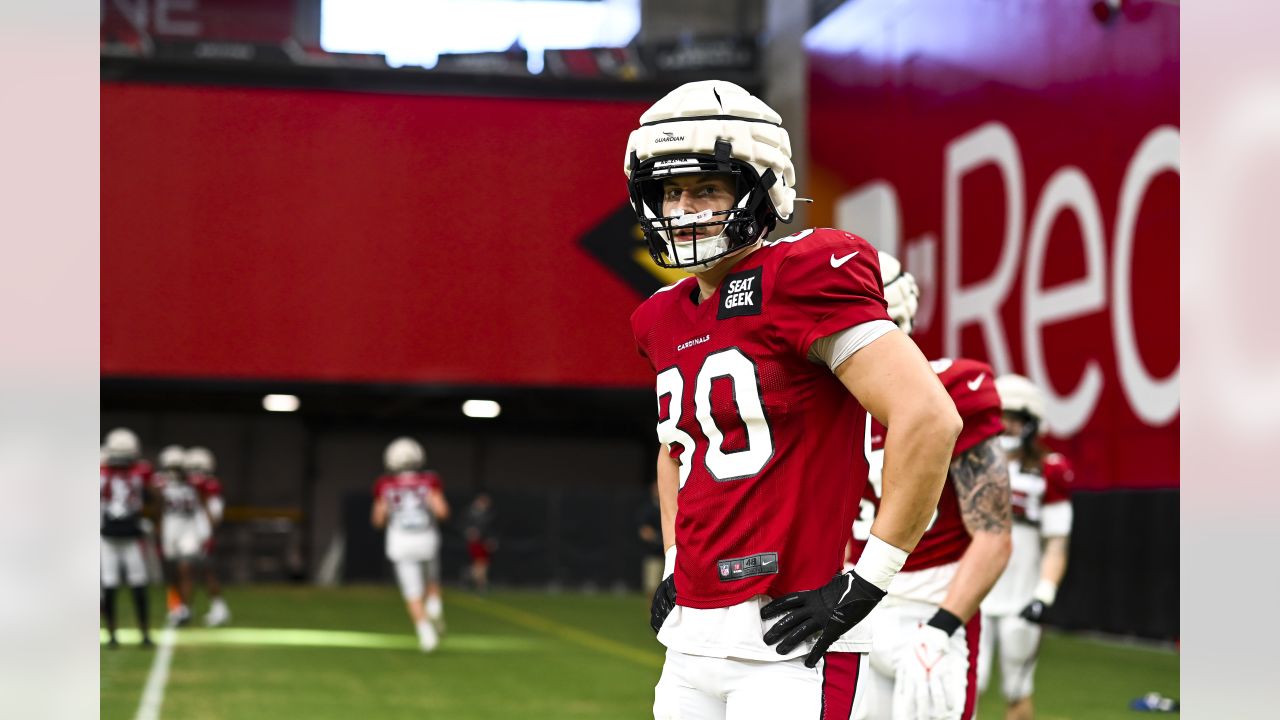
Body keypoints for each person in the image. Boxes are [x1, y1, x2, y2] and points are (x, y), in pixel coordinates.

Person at [627, 80, 963, 719]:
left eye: (707, 188)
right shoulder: (659, 317)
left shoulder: (803, 272)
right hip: (692, 638)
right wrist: (675, 559)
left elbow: (928, 415)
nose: (685, 207)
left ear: (761, 188)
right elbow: (678, 451)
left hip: (791, 639)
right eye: (671, 191)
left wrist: (867, 581)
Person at [843, 254, 1013, 720]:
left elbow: (994, 535)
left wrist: (942, 627)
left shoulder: (953, 388)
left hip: (928, 609)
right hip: (851, 607)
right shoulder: (830, 406)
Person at [976, 375, 1076, 720]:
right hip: (972, 591)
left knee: (1017, 689)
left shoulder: (1050, 470)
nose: (1006, 426)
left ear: (1032, 422)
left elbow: (1057, 543)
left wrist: (1044, 594)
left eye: (1016, 417)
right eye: (1001, 415)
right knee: (965, 686)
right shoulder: (968, 464)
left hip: (1021, 595)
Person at [372, 436, 450, 652]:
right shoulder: (429, 481)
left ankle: (425, 633)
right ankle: (434, 604)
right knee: (431, 577)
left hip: (400, 541)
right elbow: (442, 511)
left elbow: (378, 519)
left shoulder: (385, 485)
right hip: (426, 537)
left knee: (412, 591)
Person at [100, 427, 155, 648]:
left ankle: (117, 634)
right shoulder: (140, 471)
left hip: (122, 537)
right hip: (114, 537)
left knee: (127, 586)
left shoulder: (137, 472)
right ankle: (133, 634)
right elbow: (151, 498)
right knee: (118, 586)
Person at [155, 444, 206, 626]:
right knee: (172, 572)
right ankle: (176, 605)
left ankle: (185, 608)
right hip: (170, 530)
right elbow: (158, 506)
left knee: (185, 570)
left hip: (188, 530)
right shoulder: (161, 483)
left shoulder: (195, 484)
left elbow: (201, 505)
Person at [184, 446, 231, 626]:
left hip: (202, 536)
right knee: (189, 571)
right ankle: (186, 608)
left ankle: (219, 608)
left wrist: (201, 498)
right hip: (191, 535)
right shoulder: (191, 487)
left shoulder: (210, 489)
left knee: (206, 573)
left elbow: (214, 518)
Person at [464, 492, 497, 593]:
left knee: (483, 563)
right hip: (475, 541)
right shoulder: (470, 513)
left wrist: (491, 539)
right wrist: (469, 531)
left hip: (484, 541)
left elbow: (491, 529)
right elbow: (464, 525)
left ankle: (479, 582)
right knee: (479, 562)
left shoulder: (489, 514)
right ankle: (476, 580)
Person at [637, 481, 665, 598]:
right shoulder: (648, 510)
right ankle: (653, 615)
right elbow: (644, 532)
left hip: (671, 555)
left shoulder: (673, 507)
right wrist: (658, 538)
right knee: (652, 588)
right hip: (654, 555)